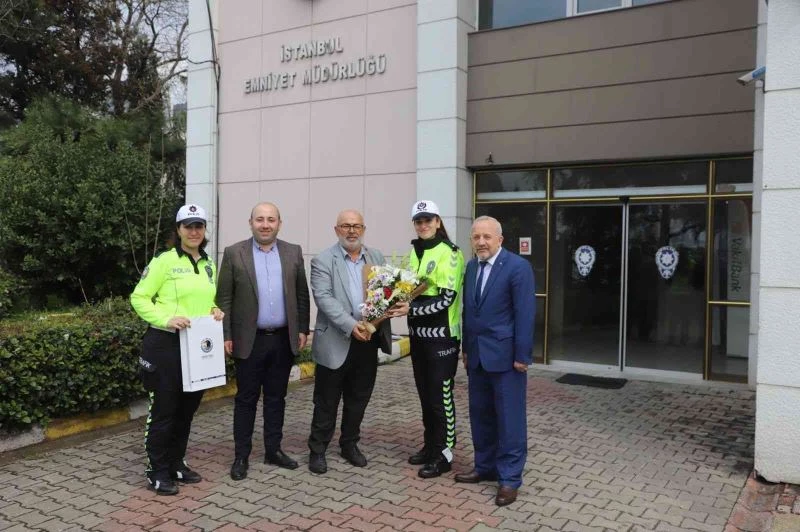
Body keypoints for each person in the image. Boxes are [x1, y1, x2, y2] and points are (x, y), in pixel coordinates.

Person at [130, 203, 224, 496]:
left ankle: (176, 463)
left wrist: (215, 310)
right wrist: (166, 319)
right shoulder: (164, 261)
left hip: (196, 348)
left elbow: (205, 301)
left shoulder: (209, 263)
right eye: (188, 226)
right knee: (164, 411)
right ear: (178, 230)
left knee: (186, 411)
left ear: (205, 230)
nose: (194, 231)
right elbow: (139, 297)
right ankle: (156, 470)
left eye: (199, 226)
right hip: (165, 345)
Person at [306, 209, 408, 474]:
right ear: (336, 229)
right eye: (346, 226)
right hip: (337, 341)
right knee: (326, 401)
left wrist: (395, 304)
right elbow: (324, 299)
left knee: (358, 398)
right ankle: (317, 450)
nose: (352, 231)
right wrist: (352, 326)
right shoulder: (322, 260)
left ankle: (349, 444)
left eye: (357, 226)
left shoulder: (375, 256)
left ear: (363, 229)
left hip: (367, 341)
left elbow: (385, 293)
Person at [216, 202, 310, 481]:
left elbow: (302, 295)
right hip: (249, 340)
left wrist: (303, 328)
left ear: (279, 223)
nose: (265, 224)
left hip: (282, 339)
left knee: (276, 398)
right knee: (246, 400)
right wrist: (227, 335)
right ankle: (241, 456)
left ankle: (273, 450)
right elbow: (224, 298)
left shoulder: (293, 252)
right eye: (260, 219)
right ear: (251, 223)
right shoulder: (235, 253)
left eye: (271, 219)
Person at [456, 215, 535, 507]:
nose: (481, 242)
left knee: (510, 420)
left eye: (487, 237)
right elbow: (468, 312)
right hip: (477, 356)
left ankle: (510, 479)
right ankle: (485, 466)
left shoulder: (517, 267)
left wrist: (522, 356)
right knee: (481, 415)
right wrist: (466, 348)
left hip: (506, 359)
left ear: (500, 240)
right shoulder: (471, 266)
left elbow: (525, 314)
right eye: (476, 237)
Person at [405, 200, 465, 478]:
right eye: (419, 221)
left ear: (438, 222)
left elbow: (446, 299)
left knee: (441, 398)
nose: (424, 225)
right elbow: (405, 291)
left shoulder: (451, 253)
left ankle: (445, 454)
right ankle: (431, 446)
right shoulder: (413, 252)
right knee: (425, 397)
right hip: (418, 339)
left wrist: (411, 308)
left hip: (442, 340)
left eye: (428, 219)